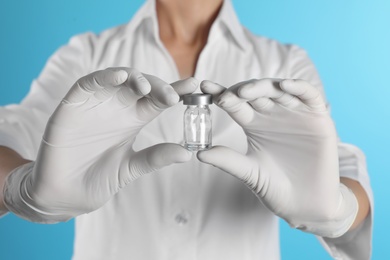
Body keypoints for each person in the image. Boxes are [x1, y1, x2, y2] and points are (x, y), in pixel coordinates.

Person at [0, 0, 372, 259]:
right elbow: (11, 131)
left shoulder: (285, 62)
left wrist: (337, 208)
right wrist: (17, 187)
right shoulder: (87, 55)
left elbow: (339, 166)